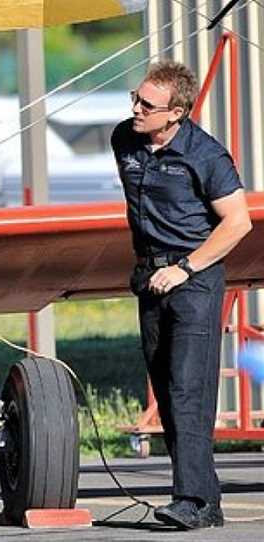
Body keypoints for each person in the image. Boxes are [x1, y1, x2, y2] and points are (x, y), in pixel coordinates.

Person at [111, 60, 252, 530]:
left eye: (147, 105)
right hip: (149, 278)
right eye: (136, 97)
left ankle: (189, 499)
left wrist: (185, 267)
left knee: (187, 388)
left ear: (177, 113)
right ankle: (206, 503)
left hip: (194, 277)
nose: (136, 108)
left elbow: (239, 221)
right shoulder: (124, 139)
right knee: (169, 396)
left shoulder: (206, 155)